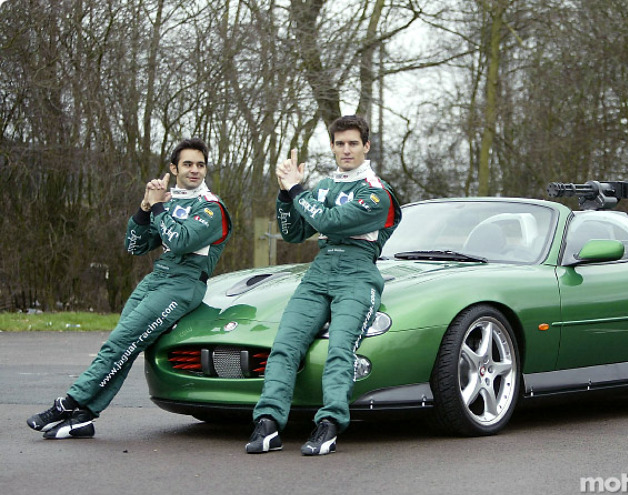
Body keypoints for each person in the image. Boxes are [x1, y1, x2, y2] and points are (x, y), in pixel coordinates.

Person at [27, 138, 232, 439]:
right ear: (174, 168)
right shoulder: (170, 202)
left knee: (121, 341)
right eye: (187, 164)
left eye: (200, 165)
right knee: (123, 344)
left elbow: (180, 241)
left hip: (183, 286)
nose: (194, 170)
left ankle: (68, 403)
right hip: (156, 279)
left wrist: (160, 206)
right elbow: (135, 246)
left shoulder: (213, 208)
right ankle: (83, 418)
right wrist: (145, 207)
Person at [247, 115, 402, 456]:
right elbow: (295, 232)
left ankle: (329, 424)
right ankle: (269, 423)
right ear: (332, 147)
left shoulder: (378, 192)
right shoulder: (324, 188)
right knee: (285, 346)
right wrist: (285, 193)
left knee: (340, 348)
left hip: (358, 273)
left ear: (366, 146)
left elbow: (330, 221)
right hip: (318, 272)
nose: (346, 150)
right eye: (340, 143)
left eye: (353, 143)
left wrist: (298, 190)